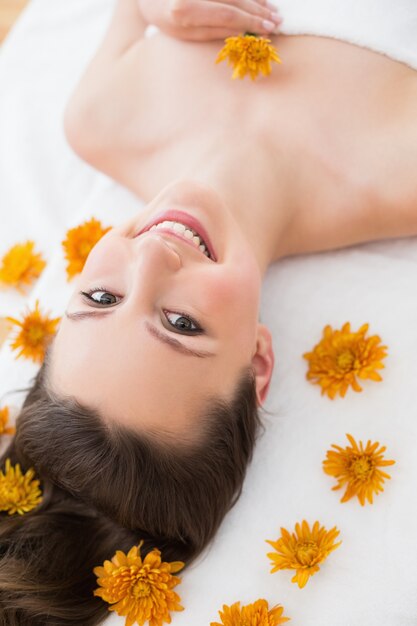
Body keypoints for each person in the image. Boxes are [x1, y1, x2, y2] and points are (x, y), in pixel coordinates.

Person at [1, 0, 416, 623]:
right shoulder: (400, 175)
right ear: (256, 363)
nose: (149, 259)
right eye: (181, 324)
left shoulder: (97, 119)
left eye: (101, 299)